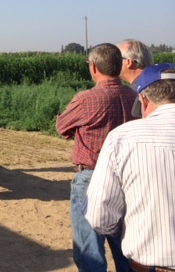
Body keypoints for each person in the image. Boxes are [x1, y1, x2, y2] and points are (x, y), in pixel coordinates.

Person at [85, 64, 175, 272]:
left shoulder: (123, 138)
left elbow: (100, 216)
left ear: (143, 100)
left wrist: (129, 227)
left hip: (150, 265)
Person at [56, 43, 137, 272]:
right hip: (126, 177)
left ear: (93, 67)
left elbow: (62, 127)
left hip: (91, 176)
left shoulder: (86, 99)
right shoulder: (134, 96)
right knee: (125, 247)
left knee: (89, 249)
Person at [117, 39, 153, 118]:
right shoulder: (157, 82)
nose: (114, 63)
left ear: (129, 62)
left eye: (117, 59)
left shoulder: (134, 91)